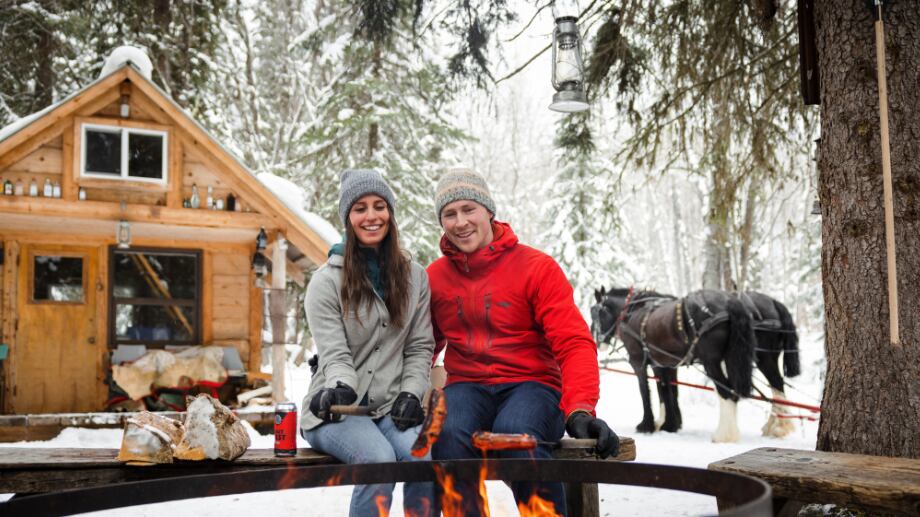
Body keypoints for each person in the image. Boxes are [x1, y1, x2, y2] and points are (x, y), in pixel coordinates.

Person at [427, 168, 619, 516]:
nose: (460, 222)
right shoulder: (436, 278)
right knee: (446, 432)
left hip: (532, 385)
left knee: (516, 434)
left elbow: (574, 343)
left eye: (469, 209)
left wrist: (579, 408)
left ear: (488, 210)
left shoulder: (536, 268)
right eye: (449, 214)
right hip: (467, 386)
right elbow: (421, 347)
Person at [301, 168, 436, 517]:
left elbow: (419, 346)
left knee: (423, 458)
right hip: (337, 410)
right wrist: (342, 386)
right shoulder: (326, 282)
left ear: (390, 212)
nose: (371, 216)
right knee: (378, 461)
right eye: (360, 208)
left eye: (379, 206)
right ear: (348, 218)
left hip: (390, 406)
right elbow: (334, 353)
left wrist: (411, 393)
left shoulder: (415, 277)